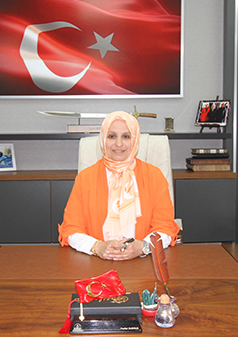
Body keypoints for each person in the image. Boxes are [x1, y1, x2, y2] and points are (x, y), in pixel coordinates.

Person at [58, 111, 179, 260]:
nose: (119, 144)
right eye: (112, 136)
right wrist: (97, 247)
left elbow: (165, 227)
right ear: (103, 139)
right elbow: (71, 229)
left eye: (126, 136)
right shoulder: (85, 178)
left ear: (135, 139)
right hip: (96, 262)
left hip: (143, 262)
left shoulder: (154, 176)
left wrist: (143, 247)